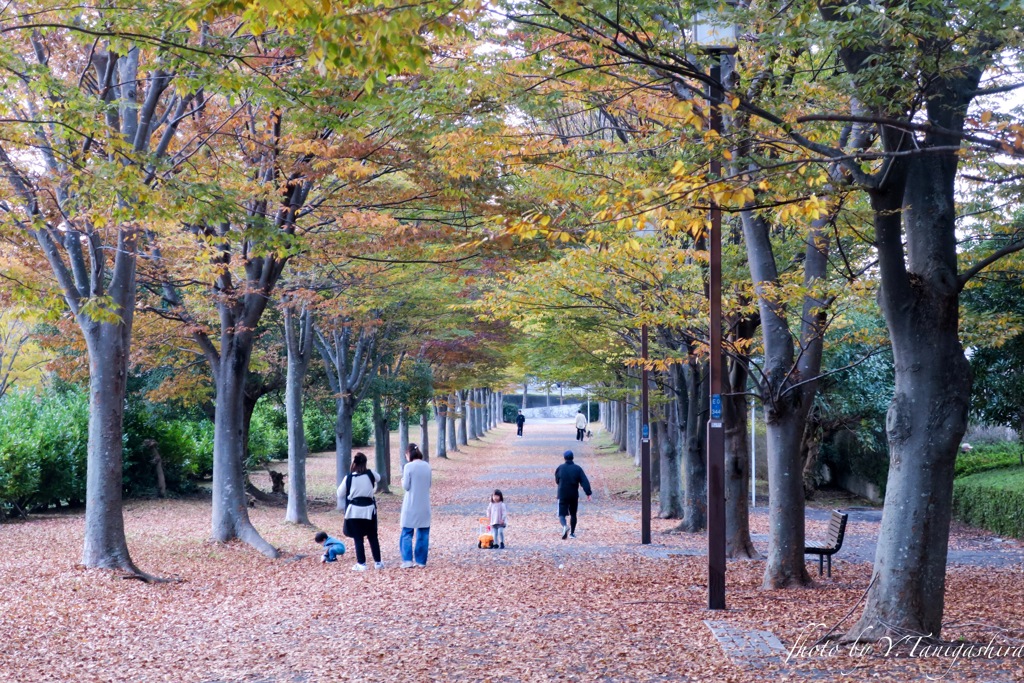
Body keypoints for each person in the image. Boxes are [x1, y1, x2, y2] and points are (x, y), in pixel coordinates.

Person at [339, 452, 383, 571]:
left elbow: (340, 493)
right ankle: (378, 562)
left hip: (354, 511)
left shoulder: (348, 477)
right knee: (373, 536)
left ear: (354, 463)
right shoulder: (370, 474)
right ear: (365, 462)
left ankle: (361, 564)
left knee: (358, 538)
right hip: (369, 510)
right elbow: (379, 478)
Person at [400, 443, 432, 568]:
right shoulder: (427, 466)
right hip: (424, 504)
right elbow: (429, 484)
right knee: (423, 534)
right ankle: (421, 561)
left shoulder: (408, 467)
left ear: (409, 454)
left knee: (407, 532)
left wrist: (402, 481)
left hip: (411, 504)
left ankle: (407, 560)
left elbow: (406, 486)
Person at [555, 450, 592, 539]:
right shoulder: (577, 469)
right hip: (573, 494)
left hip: (562, 493)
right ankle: (572, 533)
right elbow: (584, 481)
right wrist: (588, 493)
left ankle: (564, 526)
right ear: (573, 458)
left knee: (561, 514)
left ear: (564, 458)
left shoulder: (560, 468)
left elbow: (557, 480)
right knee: (573, 514)